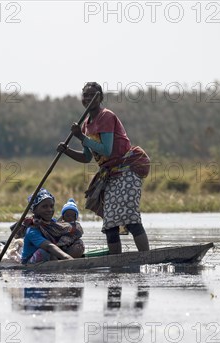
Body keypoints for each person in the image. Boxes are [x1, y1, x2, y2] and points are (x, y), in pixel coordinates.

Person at [57, 82, 151, 255]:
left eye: (92, 95)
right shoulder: (85, 124)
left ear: (100, 97)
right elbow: (87, 157)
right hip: (110, 174)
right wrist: (67, 151)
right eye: (85, 95)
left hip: (126, 169)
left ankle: (146, 257)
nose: (88, 98)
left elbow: (106, 150)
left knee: (130, 219)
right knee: (110, 225)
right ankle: (115, 264)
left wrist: (81, 137)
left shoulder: (106, 116)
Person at [20, 188, 85, 264]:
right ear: (34, 210)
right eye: (44, 207)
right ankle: (67, 262)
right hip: (31, 261)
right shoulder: (32, 230)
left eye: (51, 206)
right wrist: (68, 258)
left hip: (53, 256)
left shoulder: (53, 224)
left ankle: (64, 264)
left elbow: (68, 234)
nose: (49, 210)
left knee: (78, 244)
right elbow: (49, 246)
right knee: (45, 252)